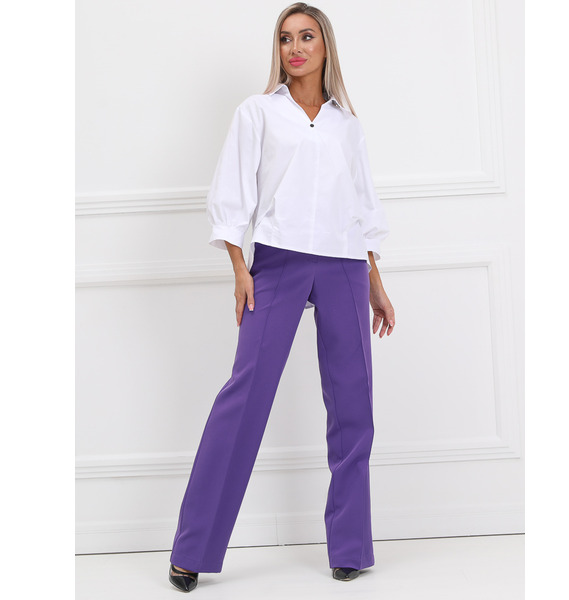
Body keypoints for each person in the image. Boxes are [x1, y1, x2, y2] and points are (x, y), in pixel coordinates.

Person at [168, 2, 395, 592]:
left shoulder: (347, 125)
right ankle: (192, 549)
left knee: (354, 405)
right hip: (278, 262)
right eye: (286, 38)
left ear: (326, 46)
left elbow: (362, 206)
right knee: (244, 397)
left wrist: (375, 282)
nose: (295, 48)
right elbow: (233, 192)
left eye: (306, 37)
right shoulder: (258, 113)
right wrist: (239, 268)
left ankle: (350, 547)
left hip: (345, 265)